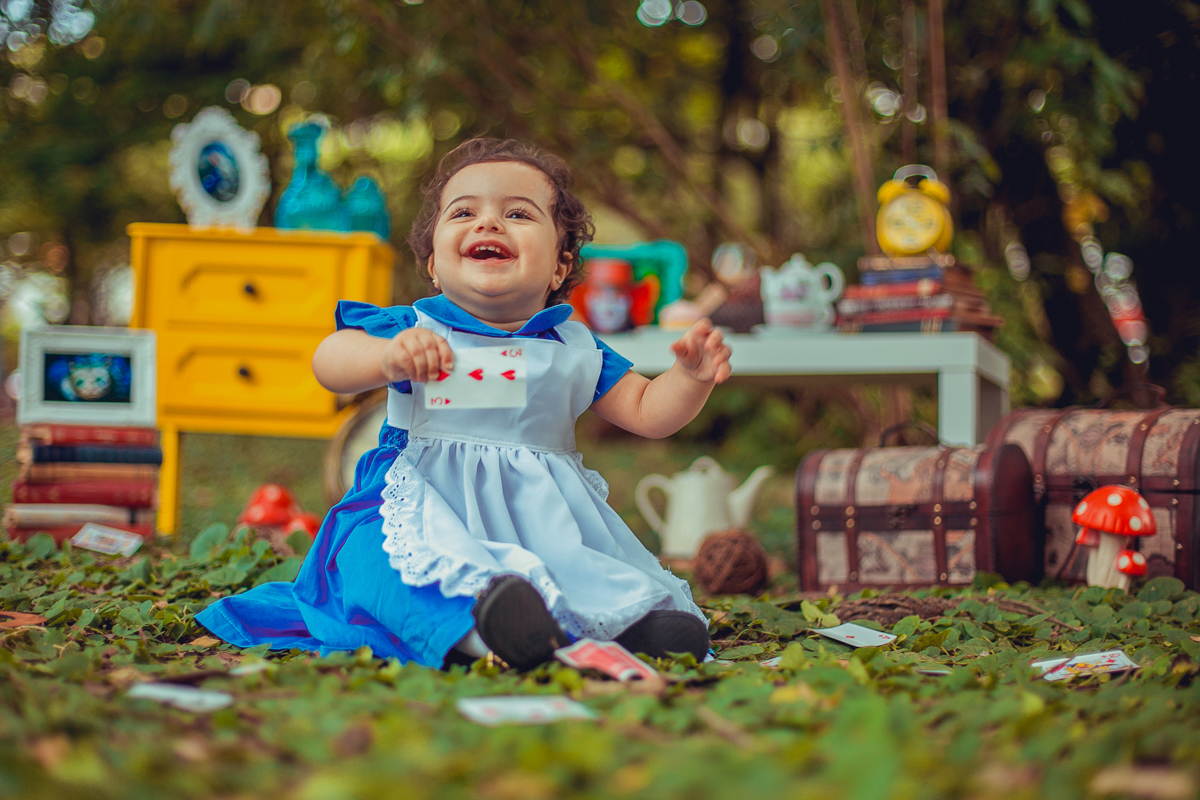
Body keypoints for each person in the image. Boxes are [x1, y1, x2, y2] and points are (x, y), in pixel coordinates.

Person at [196, 138, 732, 670]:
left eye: (518, 213)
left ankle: (629, 628)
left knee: (591, 576)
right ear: (433, 264)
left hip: (541, 525)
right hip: (418, 505)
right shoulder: (416, 329)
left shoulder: (576, 347)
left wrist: (690, 377)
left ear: (558, 267)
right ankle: (489, 634)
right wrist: (386, 358)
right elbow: (329, 359)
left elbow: (647, 411)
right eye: (465, 212)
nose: (489, 224)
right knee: (379, 568)